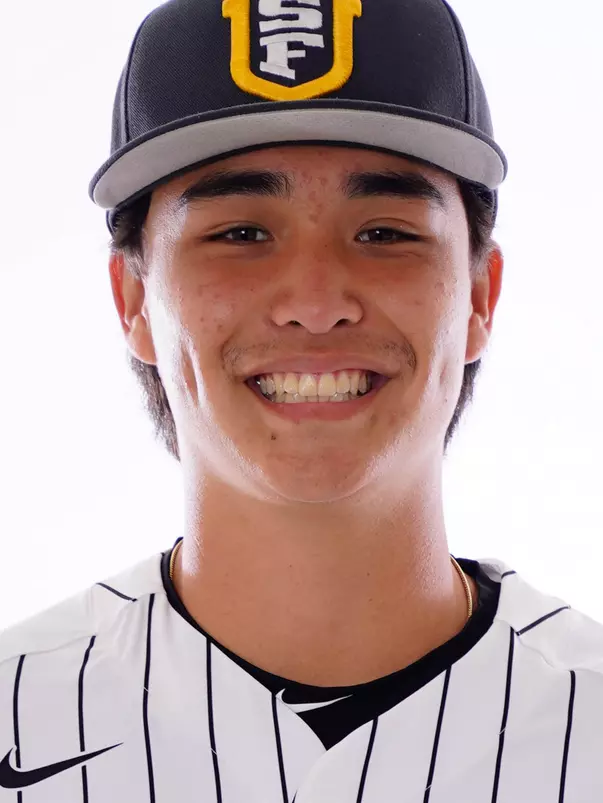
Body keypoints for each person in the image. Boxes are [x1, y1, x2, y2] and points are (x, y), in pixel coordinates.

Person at [1, 0, 602, 799]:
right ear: (134, 300)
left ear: (479, 298)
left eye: (385, 232)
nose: (316, 302)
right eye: (241, 232)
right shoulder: (19, 714)